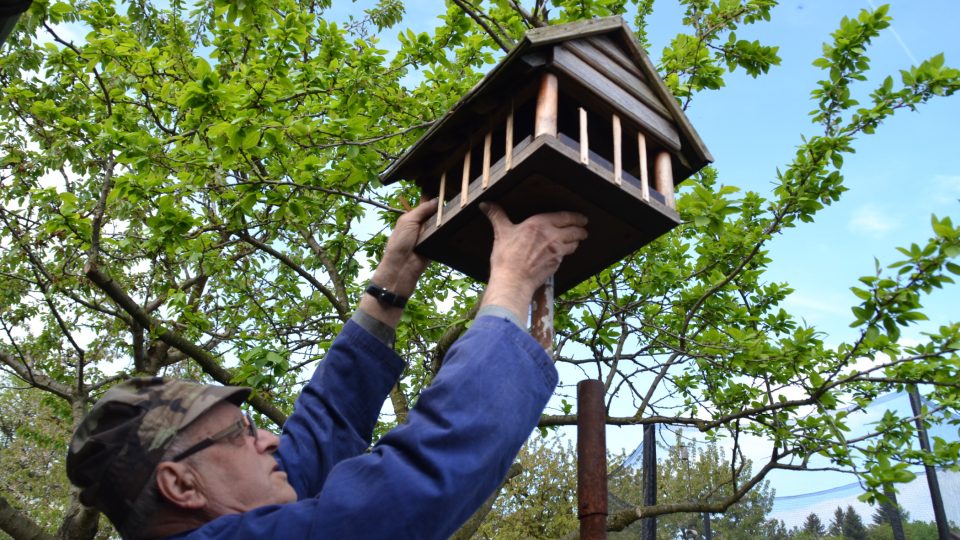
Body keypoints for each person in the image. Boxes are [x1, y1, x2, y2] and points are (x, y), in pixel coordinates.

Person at [66, 199, 589, 539]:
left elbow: (323, 430)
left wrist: (393, 281)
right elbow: (415, 485)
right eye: (239, 435)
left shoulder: (240, 518)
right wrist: (510, 287)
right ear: (181, 486)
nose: (270, 439)